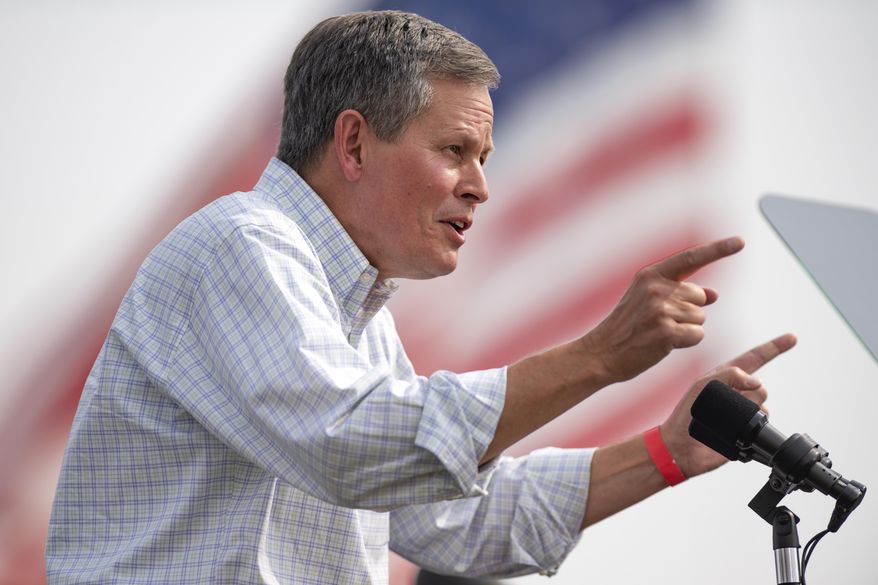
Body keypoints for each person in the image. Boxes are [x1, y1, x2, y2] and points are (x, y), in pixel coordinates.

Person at [45, 10, 795, 584]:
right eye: (454, 150)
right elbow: (348, 446)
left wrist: (665, 451)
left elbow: (455, 522)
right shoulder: (241, 244)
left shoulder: (355, 315)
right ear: (354, 143)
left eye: (484, 157)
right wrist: (600, 355)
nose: (481, 186)